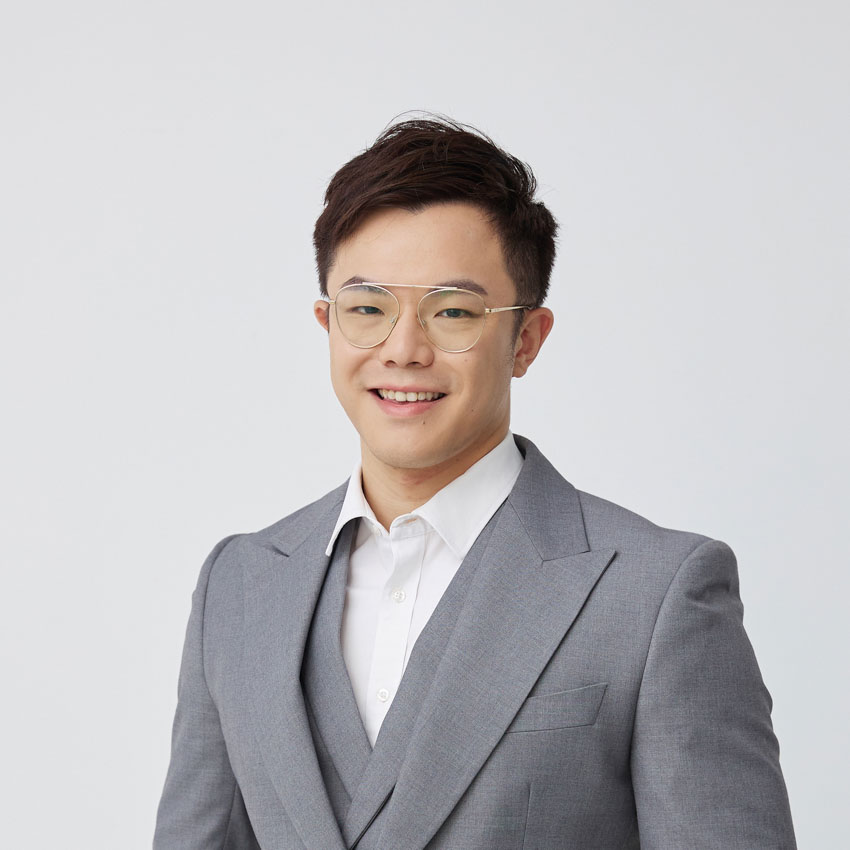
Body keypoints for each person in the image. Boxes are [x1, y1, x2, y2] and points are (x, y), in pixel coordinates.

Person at [153, 117, 796, 849]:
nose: (403, 349)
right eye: (368, 309)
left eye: (453, 312)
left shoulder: (657, 594)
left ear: (526, 340)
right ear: (328, 323)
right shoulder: (238, 587)